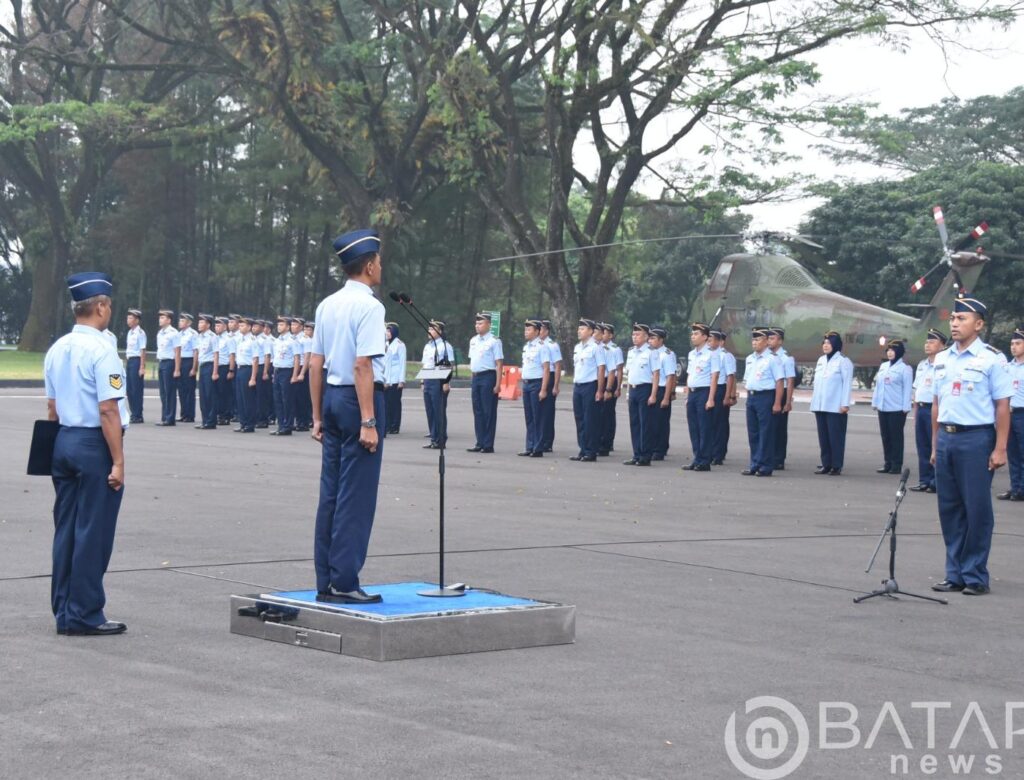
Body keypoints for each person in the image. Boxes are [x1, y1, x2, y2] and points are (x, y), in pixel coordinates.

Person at [44, 272, 128, 635]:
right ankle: (85, 612)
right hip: (94, 445)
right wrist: (119, 461)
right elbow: (108, 409)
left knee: (66, 529)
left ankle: (64, 608)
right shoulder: (101, 349)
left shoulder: (57, 348)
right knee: (93, 531)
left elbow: (52, 407)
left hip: (63, 440)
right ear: (100, 307)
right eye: (108, 305)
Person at [311, 228, 388, 604]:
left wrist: (316, 415)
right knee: (355, 496)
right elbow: (362, 366)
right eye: (380, 262)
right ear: (370, 265)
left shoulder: (328, 304)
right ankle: (345, 580)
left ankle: (325, 578)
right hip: (359, 402)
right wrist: (369, 421)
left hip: (331, 397)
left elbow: (315, 362)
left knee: (331, 493)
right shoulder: (371, 307)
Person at [930, 296, 1012, 596]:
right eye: (952, 318)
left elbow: (1003, 406)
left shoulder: (992, 359)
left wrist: (1000, 447)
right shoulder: (942, 359)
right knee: (949, 509)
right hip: (948, 439)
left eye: (962, 318)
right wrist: (936, 445)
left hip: (977, 439)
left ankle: (975, 574)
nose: (954, 323)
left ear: (978, 324)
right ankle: (955, 574)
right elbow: (937, 405)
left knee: (976, 509)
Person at [810, 331, 853, 476]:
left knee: (836, 437)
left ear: (836, 345)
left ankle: (836, 465)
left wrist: (845, 404)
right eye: (824, 343)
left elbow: (847, 384)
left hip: (835, 406)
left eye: (829, 343)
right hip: (820, 405)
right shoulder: (821, 360)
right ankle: (826, 463)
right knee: (824, 437)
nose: (826, 346)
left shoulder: (843, 361)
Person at [743, 327, 784, 477]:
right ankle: (754, 464)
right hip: (752, 397)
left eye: (758, 339)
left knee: (765, 433)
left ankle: (766, 465)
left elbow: (780, 382)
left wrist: (777, 403)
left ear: (766, 341)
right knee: (753, 433)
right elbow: (748, 380)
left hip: (766, 397)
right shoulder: (750, 359)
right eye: (753, 339)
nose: (754, 342)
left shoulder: (773, 359)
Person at [909, 329, 947, 492]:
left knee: (936, 445)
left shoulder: (944, 364)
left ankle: (936, 481)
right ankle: (924, 479)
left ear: (942, 345)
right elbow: (917, 391)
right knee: (923, 445)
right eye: (926, 342)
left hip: (936, 409)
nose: (927, 345)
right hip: (923, 409)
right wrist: (916, 413)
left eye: (932, 342)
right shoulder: (922, 365)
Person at [871, 339, 913, 474]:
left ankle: (896, 464)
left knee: (896, 437)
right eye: (888, 350)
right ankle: (887, 462)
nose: (890, 353)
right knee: (886, 436)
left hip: (897, 408)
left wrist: (906, 407)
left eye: (892, 350)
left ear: (899, 352)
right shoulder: (883, 366)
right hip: (883, 407)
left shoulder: (905, 369)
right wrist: (875, 402)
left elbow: (907, 390)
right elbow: (878, 387)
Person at [681, 323, 718, 471]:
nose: (693, 336)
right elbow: (690, 375)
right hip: (694, 393)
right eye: (692, 334)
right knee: (694, 428)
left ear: (705, 337)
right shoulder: (692, 354)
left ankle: (704, 460)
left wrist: (710, 399)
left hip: (704, 392)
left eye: (696, 334)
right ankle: (697, 457)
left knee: (704, 428)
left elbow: (714, 377)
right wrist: (688, 396)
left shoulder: (711, 354)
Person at [570, 318, 606, 462]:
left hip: (590, 386)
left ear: (591, 331)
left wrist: (600, 390)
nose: (579, 331)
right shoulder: (577, 347)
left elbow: (601, 368)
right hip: (578, 385)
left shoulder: (596, 347)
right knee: (579, 419)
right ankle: (583, 449)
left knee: (590, 419)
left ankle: (591, 451)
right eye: (579, 329)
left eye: (583, 329)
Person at [467, 312, 504, 453]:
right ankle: (479, 442)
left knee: (488, 411)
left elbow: (499, 364)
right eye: (476, 323)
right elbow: (473, 361)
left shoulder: (494, 341)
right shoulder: (473, 340)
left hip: (488, 377)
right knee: (478, 411)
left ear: (488, 324)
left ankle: (488, 444)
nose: (477, 326)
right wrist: (472, 378)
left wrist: (498, 384)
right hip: (476, 377)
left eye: (480, 323)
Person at [623, 323, 657, 466]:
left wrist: (653, 395)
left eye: (638, 335)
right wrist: (628, 392)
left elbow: (656, 374)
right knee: (634, 423)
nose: (634, 337)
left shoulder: (651, 352)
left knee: (645, 424)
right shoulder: (631, 352)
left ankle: (645, 455)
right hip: (634, 389)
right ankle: (636, 454)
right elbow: (629, 373)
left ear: (646, 337)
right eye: (633, 334)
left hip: (645, 389)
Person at [519, 318, 551, 457]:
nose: (526, 332)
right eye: (525, 329)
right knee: (529, 417)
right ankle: (530, 446)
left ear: (537, 331)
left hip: (537, 384)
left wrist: (544, 389)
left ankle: (538, 448)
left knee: (538, 416)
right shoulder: (527, 347)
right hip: (526, 384)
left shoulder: (542, 346)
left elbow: (546, 369)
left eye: (529, 329)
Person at [421, 320, 454, 449]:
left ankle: (440, 439)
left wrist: (446, 382)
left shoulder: (445, 346)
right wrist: (423, 381)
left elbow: (449, 365)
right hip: (428, 378)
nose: (429, 331)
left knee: (438, 411)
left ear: (440, 331)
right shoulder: (428, 346)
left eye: (433, 329)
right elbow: (425, 364)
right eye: (429, 329)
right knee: (430, 411)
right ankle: (433, 438)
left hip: (439, 379)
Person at [999, 326, 1024, 501]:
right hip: (1009, 413)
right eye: (1012, 343)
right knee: (1013, 454)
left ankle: (1022, 488)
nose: (1013, 347)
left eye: (1018, 343)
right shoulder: (1007, 367)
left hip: (1023, 414)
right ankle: (1015, 487)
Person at [767, 328, 797, 470]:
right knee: (769, 427)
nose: (769, 341)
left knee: (779, 428)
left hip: (783, 391)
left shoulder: (786, 358)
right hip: (769, 391)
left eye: (772, 338)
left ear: (780, 341)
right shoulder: (766, 356)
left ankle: (779, 459)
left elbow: (790, 381)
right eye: (768, 338)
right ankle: (769, 456)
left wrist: (788, 401)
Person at [708, 329, 736, 465]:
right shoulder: (707, 354)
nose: (708, 342)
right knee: (709, 423)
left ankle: (718, 454)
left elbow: (730, 377)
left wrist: (728, 396)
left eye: (711, 340)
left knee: (720, 423)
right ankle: (710, 451)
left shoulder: (725, 355)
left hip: (721, 389)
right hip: (709, 389)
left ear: (719, 342)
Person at [649, 326, 676, 461]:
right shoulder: (650, 353)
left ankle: (659, 450)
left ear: (661, 340)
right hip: (651, 388)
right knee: (651, 421)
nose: (650, 341)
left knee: (661, 422)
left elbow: (670, 376)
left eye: (653, 338)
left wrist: (667, 396)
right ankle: (652, 446)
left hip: (661, 390)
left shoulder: (667, 354)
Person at [271, 315, 300, 435]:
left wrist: (295, 375)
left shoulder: (293, 340)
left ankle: (288, 425)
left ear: (288, 327)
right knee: (277, 399)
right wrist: (274, 373)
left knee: (287, 399)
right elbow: (275, 358)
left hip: (287, 371)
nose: (279, 327)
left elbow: (297, 359)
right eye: (278, 324)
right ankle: (281, 425)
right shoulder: (277, 341)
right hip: (277, 371)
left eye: (282, 324)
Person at [598, 323, 624, 456]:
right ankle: (599, 440)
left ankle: (608, 442)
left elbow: (619, 370)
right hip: (600, 382)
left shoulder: (615, 349)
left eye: (605, 332)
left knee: (608, 414)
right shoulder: (598, 347)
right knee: (599, 414)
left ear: (611, 335)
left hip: (610, 381)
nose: (602, 335)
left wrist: (617, 387)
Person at [539, 319, 562, 452]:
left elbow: (558, 366)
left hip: (550, 377)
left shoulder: (552, 345)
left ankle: (547, 442)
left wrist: (556, 385)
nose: (539, 332)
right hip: (540, 377)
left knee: (547, 412)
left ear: (546, 331)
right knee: (539, 412)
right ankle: (540, 439)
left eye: (541, 329)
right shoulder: (536, 345)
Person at [233, 317, 259, 433]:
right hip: (239, 369)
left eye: (243, 325)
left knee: (248, 398)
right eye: (240, 325)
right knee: (240, 398)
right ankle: (243, 422)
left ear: (249, 327)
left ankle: (249, 424)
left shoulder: (252, 340)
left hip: (248, 370)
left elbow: (255, 360)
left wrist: (253, 377)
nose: (240, 327)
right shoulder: (240, 339)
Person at [155, 309, 180, 426]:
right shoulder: (160, 333)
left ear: (169, 320)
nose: (160, 320)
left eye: (163, 318)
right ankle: (164, 416)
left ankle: (170, 418)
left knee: (170, 392)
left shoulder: (173, 333)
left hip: (170, 363)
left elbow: (177, 352)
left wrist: (177, 369)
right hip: (161, 362)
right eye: (160, 318)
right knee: (163, 392)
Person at [195, 314, 219, 429]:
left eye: (202, 322)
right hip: (202, 366)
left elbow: (216, 354)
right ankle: (205, 419)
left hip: (210, 366)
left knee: (210, 394)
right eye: (199, 322)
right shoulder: (199, 337)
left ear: (208, 324)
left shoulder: (212, 336)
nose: (199, 325)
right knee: (203, 395)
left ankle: (211, 421)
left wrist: (215, 372)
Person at [383, 322, 406, 434]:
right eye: (386, 331)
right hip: (386, 379)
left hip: (396, 379)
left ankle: (395, 425)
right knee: (386, 403)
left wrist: (401, 381)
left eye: (389, 331)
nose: (387, 333)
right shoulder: (385, 344)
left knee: (395, 403)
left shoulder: (400, 345)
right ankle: (387, 424)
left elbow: (402, 364)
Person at [124, 308, 146, 424]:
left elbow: (143, 351)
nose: (128, 320)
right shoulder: (130, 332)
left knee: (136, 389)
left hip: (137, 361)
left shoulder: (140, 333)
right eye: (128, 317)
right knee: (130, 389)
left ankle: (138, 415)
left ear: (137, 320)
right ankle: (133, 413)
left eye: (131, 318)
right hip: (130, 361)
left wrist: (142, 367)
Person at [177, 313, 198, 423]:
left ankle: (190, 415)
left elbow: (195, 352)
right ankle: (183, 413)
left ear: (189, 322)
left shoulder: (192, 334)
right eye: (180, 320)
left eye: (183, 320)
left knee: (189, 389)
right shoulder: (179, 334)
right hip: (180, 361)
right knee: (181, 389)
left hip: (188, 362)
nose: (180, 322)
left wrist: (194, 368)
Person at [214, 317, 233, 425]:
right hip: (217, 366)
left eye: (219, 325)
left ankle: (225, 415)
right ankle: (219, 414)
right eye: (215, 325)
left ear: (225, 327)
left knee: (224, 392)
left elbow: (231, 355)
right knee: (217, 392)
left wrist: (231, 370)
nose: (216, 327)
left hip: (225, 367)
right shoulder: (216, 338)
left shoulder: (229, 339)